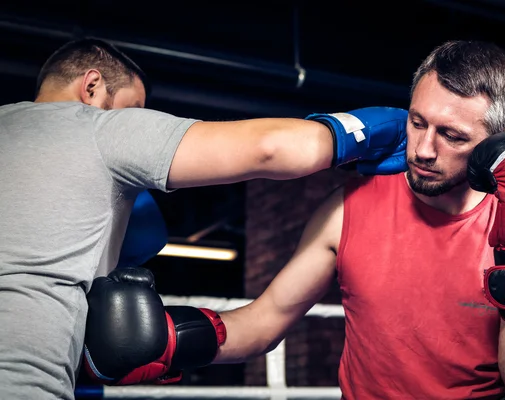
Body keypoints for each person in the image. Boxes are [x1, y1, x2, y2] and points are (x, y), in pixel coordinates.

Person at [84, 40, 505, 399]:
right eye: (417, 122)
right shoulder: (352, 206)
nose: (423, 150)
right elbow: (265, 320)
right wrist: (169, 341)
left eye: (452, 135)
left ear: (498, 140)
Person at [0, 36, 409, 400]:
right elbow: (273, 147)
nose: (133, 118)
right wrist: (380, 130)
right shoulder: (97, 128)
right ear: (92, 87)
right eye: (132, 109)